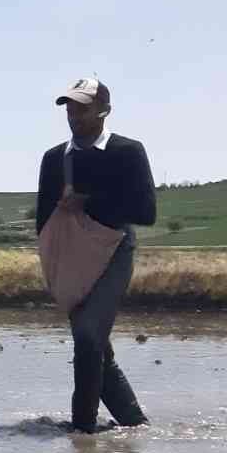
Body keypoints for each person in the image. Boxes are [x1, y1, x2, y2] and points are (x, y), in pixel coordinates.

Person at [35, 78, 155, 433]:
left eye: (82, 107)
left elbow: (145, 212)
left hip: (115, 252)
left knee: (88, 338)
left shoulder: (128, 152)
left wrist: (89, 201)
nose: (74, 114)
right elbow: (43, 220)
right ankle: (135, 426)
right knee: (97, 347)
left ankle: (82, 431)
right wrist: (54, 264)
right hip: (72, 259)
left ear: (104, 110)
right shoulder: (54, 159)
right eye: (69, 107)